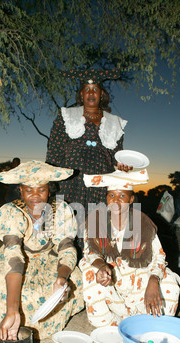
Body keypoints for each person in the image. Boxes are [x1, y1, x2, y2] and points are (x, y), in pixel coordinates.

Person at [0, 161, 84, 343]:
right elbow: (14, 258)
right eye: (29, 190)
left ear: (49, 190)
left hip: (49, 260)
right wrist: (12, 309)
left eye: (41, 189)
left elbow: (66, 247)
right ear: (21, 191)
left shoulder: (60, 209)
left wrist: (61, 277)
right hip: (15, 262)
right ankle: (11, 321)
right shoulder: (11, 212)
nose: (35, 196)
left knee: (75, 280)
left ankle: (41, 327)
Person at [79, 168, 180, 327]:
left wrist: (154, 280)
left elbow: (159, 257)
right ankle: (109, 324)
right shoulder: (96, 221)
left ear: (131, 198)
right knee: (88, 270)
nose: (116, 200)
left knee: (170, 280)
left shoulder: (143, 223)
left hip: (140, 288)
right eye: (111, 195)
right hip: (112, 288)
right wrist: (102, 266)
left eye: (122, 196)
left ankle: (152, 324)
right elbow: (90, 253)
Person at [46, 68, 131, 249]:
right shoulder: (66, 117)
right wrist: (51, 179)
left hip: (100, 181)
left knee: (96, 221)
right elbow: (54, 150)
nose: (91, 93)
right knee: (68, 219)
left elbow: (116, 156)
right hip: (70, 180)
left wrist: (121, 166)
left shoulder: (114, 122)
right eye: (87, 89)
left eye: (95, 89)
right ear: (81, 94)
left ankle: (93, 259)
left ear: (101, 94)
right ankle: (66, 258)